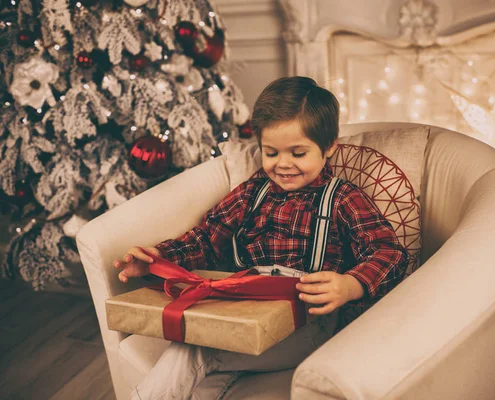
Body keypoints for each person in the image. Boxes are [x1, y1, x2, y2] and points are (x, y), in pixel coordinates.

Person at [114, 76, 408, 400]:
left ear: (328, 147)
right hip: (243, 307)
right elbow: (208, 237)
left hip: (306, 324)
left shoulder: (342, 198)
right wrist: (157, 258)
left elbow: (389, 252)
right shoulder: (254, 191)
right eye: (271, 152)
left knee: (196, 351)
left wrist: (351, 284)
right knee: (199, 384)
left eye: (298, 153)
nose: (283, 164)